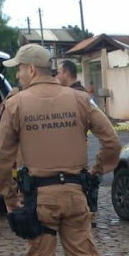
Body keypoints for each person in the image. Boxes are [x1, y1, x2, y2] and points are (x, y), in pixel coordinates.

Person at [0, 43, 120, 256]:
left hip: (39, 201)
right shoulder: (80, 100)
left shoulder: (16, 104)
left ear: (32, 69)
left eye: (20, 70)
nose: (18, 76)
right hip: (76, 195)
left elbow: (0, 160)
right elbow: (112, 140)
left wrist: (10, 198)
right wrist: (96, 170)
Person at [56, 60, 99, 228]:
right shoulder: (80, 96)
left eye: (59, 72)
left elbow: (101, 127)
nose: (57, 76)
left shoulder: (79, 97)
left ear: (66, 73)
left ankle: (89, 212)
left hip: (76, 146)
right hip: (74, 145)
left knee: (83, 179)